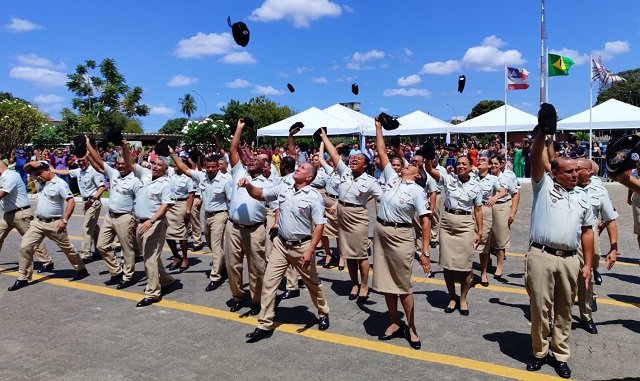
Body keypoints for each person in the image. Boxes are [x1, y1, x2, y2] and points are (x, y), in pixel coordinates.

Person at [524, 131, 594, 379]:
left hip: (569, 259)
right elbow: (535, 158)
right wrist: (542, 132)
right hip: (542, 255)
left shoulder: (583, 197)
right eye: (569, 172)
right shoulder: (542, 187)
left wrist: (587, 264)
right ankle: (539, 352)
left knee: (564, 310)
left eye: (577, 171)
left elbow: (587, 232)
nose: (575, 175)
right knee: (540, 308)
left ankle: (560, 354)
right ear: (555, 173)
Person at [242, 161, 330, 342]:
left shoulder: (314, 196)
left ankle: (323, 312)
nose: (298, 168)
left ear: (309, 177)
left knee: (313, 283)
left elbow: (320, 225)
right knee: (268, 282)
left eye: (303, 168)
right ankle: (264, 324)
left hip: (302, 247)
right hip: (281, 245)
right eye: (299, 167)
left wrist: (310, 250)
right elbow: (259, 194)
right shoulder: (284, 187)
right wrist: (248, 185)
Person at [372, 119, 431, 350]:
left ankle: (412, 327)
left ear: (418, 175)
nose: (405, 164)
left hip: (401, 236)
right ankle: (394, 323)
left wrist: (424, 252)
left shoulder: (417, 190)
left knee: (403, 284)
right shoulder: (392, 178)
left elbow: (426, 221)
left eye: (412, 165)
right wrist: (378, 128)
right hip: (381, 233)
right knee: (387, 282)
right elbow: (382, 151)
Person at [319, 129, 382, 303]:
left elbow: (382, 198)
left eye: (358, 159)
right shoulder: (345, 172)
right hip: (342, 215)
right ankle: (354, 283)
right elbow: (332, 152)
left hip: (358, 217)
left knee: (360, 253)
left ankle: (364, 285)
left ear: (365, 165)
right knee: (347, 253)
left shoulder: (370, 181)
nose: (353, 159)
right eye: (353, 158)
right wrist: (324, 136)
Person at [8, 161, 89, 291]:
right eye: (37, 174)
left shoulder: (60, 184)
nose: (38, 176)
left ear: (48, 170)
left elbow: (71, 201)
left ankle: (81, 269)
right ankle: (23, 277)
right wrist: (33, 162)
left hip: (55, 223)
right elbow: (26, 169)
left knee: (67, 248)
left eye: (40, 173)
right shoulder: (42, 181)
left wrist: (64, 220)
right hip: (38, 223)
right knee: (25, 246)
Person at [425, 150, 482, 316]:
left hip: (465, 225)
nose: (461, 166)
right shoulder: (448, 179)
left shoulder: (476, 186)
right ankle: (452, 297)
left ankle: (463, 298)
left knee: (465, 265)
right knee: (447, 264)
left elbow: (478, 210)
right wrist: (428, 156)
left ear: (471, 167)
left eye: (465, 164)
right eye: (459, 164)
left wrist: (479, 232)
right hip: (448, 223)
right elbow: (430, 170)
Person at [121, 140, 176, 307]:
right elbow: (130, 163)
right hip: (140, 223)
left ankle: (152, 293)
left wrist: (151, 221)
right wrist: (124, 147)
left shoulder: (168, 183)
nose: (155, 166)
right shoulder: (144, 174)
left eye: (159, 165)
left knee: (149, 259)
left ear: (166, 169)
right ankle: (166, 280)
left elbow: (166, 205)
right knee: (150, 255)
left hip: (155, 224)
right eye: (154, 163)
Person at [225, 118, 272, 315]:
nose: (251, 161)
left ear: (265, 166)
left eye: (257, 160)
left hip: (255, 230)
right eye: (251, 159)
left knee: (256, 267)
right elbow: (233, 151)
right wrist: (239, 128)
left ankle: (256, 300)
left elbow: (262, 196)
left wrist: (249, 185)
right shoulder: (238, 172)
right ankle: (238, 296)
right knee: (233, 266)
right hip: (233, 227)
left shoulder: (269, 182)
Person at [85, 139, 141, 289]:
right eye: (118, 164)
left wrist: (135, 220)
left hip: (125, 217)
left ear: (129, 164)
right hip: (110, 216)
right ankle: (116, 272)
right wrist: (88, 144)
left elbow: (139, 202)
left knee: (127, 249)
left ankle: (128, 277)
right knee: (102, 246)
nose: (121, 166)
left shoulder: (135, 181)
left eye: (124, 164)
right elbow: (98, 160)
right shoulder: (114, 174)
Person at [574, 158, 618, 334]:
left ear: (589, 171)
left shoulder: (599, 191)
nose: (573, 172)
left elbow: (610, 220)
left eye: (577, 169)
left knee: (586, 278)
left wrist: (614, 248)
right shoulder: (565, 186)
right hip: (566, 238)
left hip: (589, 237)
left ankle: (586, 315)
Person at [0, 159, 54, 274]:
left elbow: (1, 194)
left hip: (21, 214)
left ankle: (47, 262)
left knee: (32, 239)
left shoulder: (11, 176)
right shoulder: (2, 178)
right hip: (8, 215)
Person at [51, 155, 106, 262]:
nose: (81, 163)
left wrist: (92, 200)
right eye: (79, 161)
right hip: (85, 201)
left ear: (88, 161)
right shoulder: (79, 171)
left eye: (83, 161)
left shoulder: (93, 171)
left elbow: (102, 187)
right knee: (93, 226)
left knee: (86, 227)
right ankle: (100, 250)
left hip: (93, 202)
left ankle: (85, 254)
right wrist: (53, 170)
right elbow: (66, 172)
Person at [474, 156, 506, 286]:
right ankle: (469, 273)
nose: (480, 161)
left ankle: (483, 273)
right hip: (470, 209)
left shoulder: (493, 179)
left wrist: (494, 197)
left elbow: (503, 191)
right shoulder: (471, 176)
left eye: (483, 160)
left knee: (483, 244)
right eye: (479, 160)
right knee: (467, 242)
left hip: (485, 210)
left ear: (488, 166)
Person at [488, 155, 520, 279]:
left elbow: (515, 193)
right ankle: (487, 257)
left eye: (496, 163)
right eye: (491, 163)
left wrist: (513, 212)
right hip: (487, 208)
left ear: (501, 164)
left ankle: (499, 267)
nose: (493, 166)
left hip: (502, 207)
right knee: (487, 235)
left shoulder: (508, 176)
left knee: (501, 237)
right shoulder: (485, 177)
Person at [165, 158, 196, 272]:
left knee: (182, 234)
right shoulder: (171, 173)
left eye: (177, 164)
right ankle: (176, 256)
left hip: (181, 204)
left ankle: (184, 258)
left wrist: (187, 211)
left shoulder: (189, 177)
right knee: (168, 233)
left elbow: (191, 195)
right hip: (169, 204)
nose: (175, 166)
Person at [318, 142, 345, 271]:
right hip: (326, 201)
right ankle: (328, 254)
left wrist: (336, 204)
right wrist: (322, 142)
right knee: (323, 230)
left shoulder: (346, 175)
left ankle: (341, 256)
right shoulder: (331, 172)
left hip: (338, 203)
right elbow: (321, 159)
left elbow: (346, 194)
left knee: (340, 233)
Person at [310, 151, 334, 268]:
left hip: (321, 193)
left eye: (316, 160)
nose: (314, 161)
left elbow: (327, 184)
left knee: (322, 221)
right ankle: (318, 241)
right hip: (309, 192)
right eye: (313, 160)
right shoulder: (309, 170)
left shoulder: (324, 172)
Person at [429, 155, 447, 248]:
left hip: (437, 194)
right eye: (432, 159)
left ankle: (434, 238)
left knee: (434, 216)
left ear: (437, 159)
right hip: (426, 194)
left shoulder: (442, 170)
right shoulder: (426, 168)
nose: (433, 161)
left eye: (435, 159)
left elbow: (446, 185)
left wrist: (447, 198)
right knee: (424, 216)